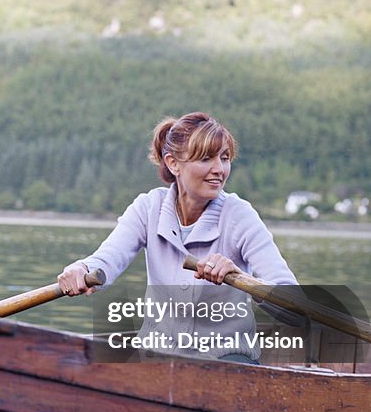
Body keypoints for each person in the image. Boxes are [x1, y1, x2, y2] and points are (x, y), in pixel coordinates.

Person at [57, 111, 297, 363]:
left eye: (225, 158)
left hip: (228, 360)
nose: (219, 170)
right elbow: (105, 261)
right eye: (206, 159)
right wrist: (81, 268)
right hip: (155, 357)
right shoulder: (148, 208)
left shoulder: (239, 215)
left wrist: (240, 277)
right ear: (173, 164)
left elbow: (293, 306)